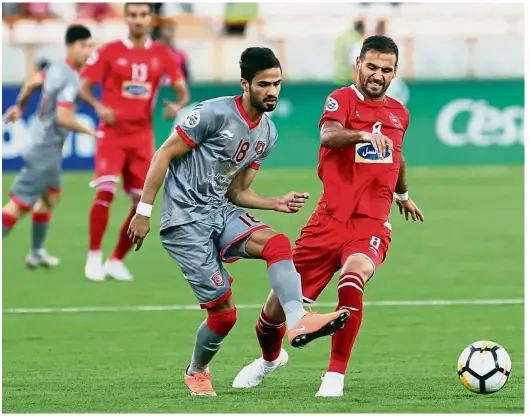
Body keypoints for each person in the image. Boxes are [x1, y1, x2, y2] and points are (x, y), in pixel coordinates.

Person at [127, 47, 351, 397]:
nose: (273, 91)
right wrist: (143, 212)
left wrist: (274, 203)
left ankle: (297, 320)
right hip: (185, 222)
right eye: (264, 84)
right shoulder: (211, 114)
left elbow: (238, 192)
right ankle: (197, 371)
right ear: (245, 84)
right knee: (224, 317)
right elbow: (164, 154)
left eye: (277, 83)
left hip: (220, 210)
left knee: (278, 244)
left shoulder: (268, 133)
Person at [232, 35, 425, 397]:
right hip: (327, 221)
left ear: (395, 72)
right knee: (273, 314)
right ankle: (270, 360)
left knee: (353, 278)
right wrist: (364, 135)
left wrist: (402, 194)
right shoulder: (341, 99)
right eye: (371, 67)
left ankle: (334, 376)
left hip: (370, 224)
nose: (377, 75)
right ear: (358, 65)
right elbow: (328, 135)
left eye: (386, 70)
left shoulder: (400, 113)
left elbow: (396, 154)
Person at [79, 2, 190, 282]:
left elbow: (182, 91)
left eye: (143, 15)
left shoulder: (163, 54)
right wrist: (98, 106)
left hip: (142, 137)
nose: (139, 20)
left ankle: (115, 260)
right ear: (126, 19)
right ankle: (93, 256)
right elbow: (83, 86)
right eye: (133, 15)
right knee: (106, 191)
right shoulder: (109, 51)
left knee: (142, 202)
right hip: (112, 134)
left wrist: (177, 105)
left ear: (150, 19)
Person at [2, 25, 97, 269]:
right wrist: (94, 133)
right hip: (45, 148)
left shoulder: (55, 66)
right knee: (18, 205)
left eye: (90, 46)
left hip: (45, 146)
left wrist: (20, 107)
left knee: (51, 195)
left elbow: (33, 82)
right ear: (71, 46)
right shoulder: (71, 78)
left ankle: (36, 252)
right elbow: (63, 118)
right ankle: (35, 250)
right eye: (84, 46)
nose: (88, 51)